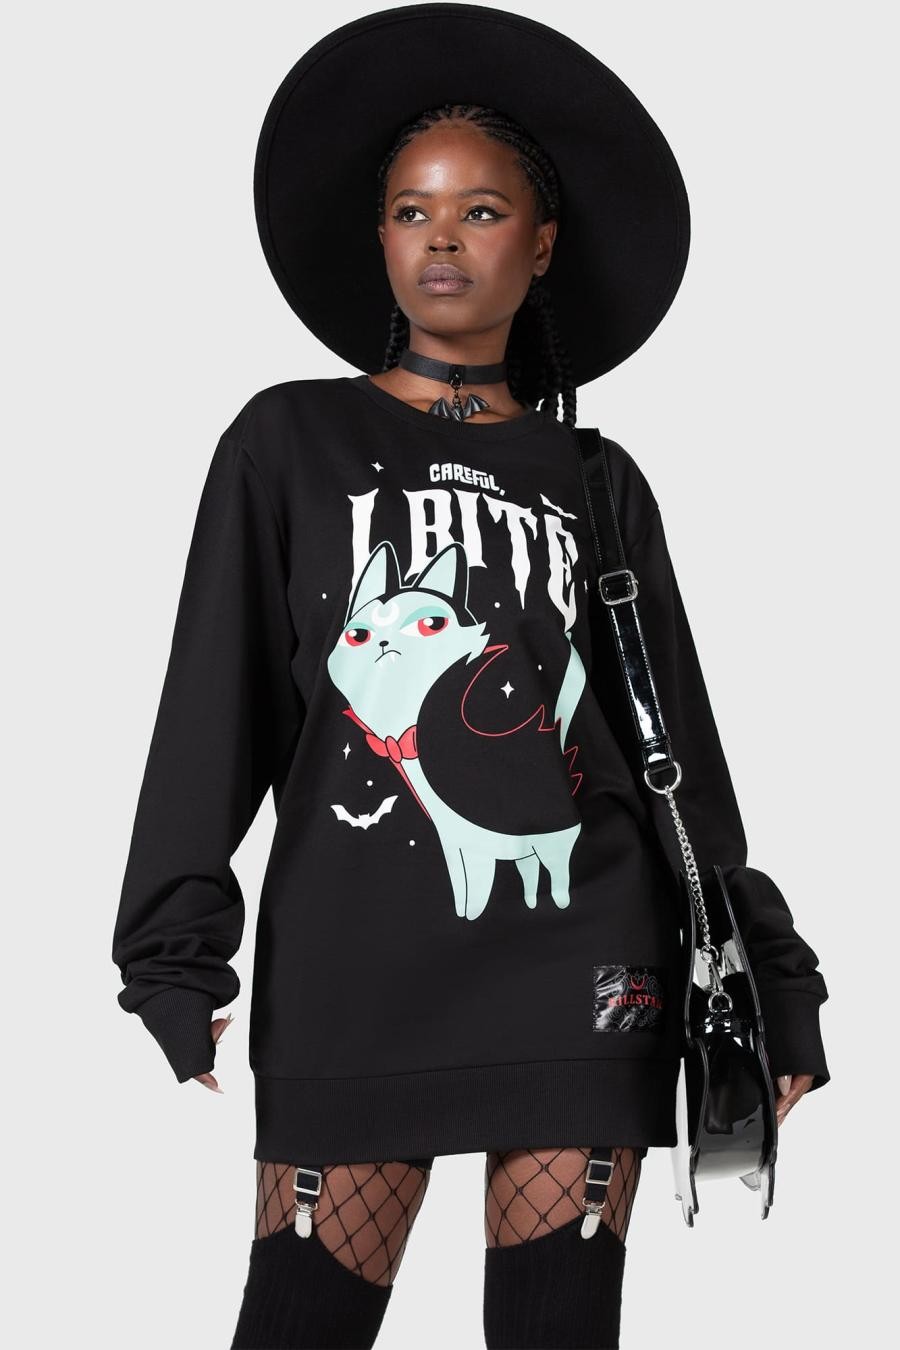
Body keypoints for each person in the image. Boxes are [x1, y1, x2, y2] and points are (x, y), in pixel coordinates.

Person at [110, 7, 831, 1347]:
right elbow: (213, 707)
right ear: (381, 238)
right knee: (301, 1321)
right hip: (354, 970)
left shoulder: (598, 481)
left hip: (585, 958)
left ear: (539, 243)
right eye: (412, 211)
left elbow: (673, 747)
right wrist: (173, 952)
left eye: (481, 210)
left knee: (560, 1329)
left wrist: (771, 978)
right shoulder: (287, 440)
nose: (442, 238)